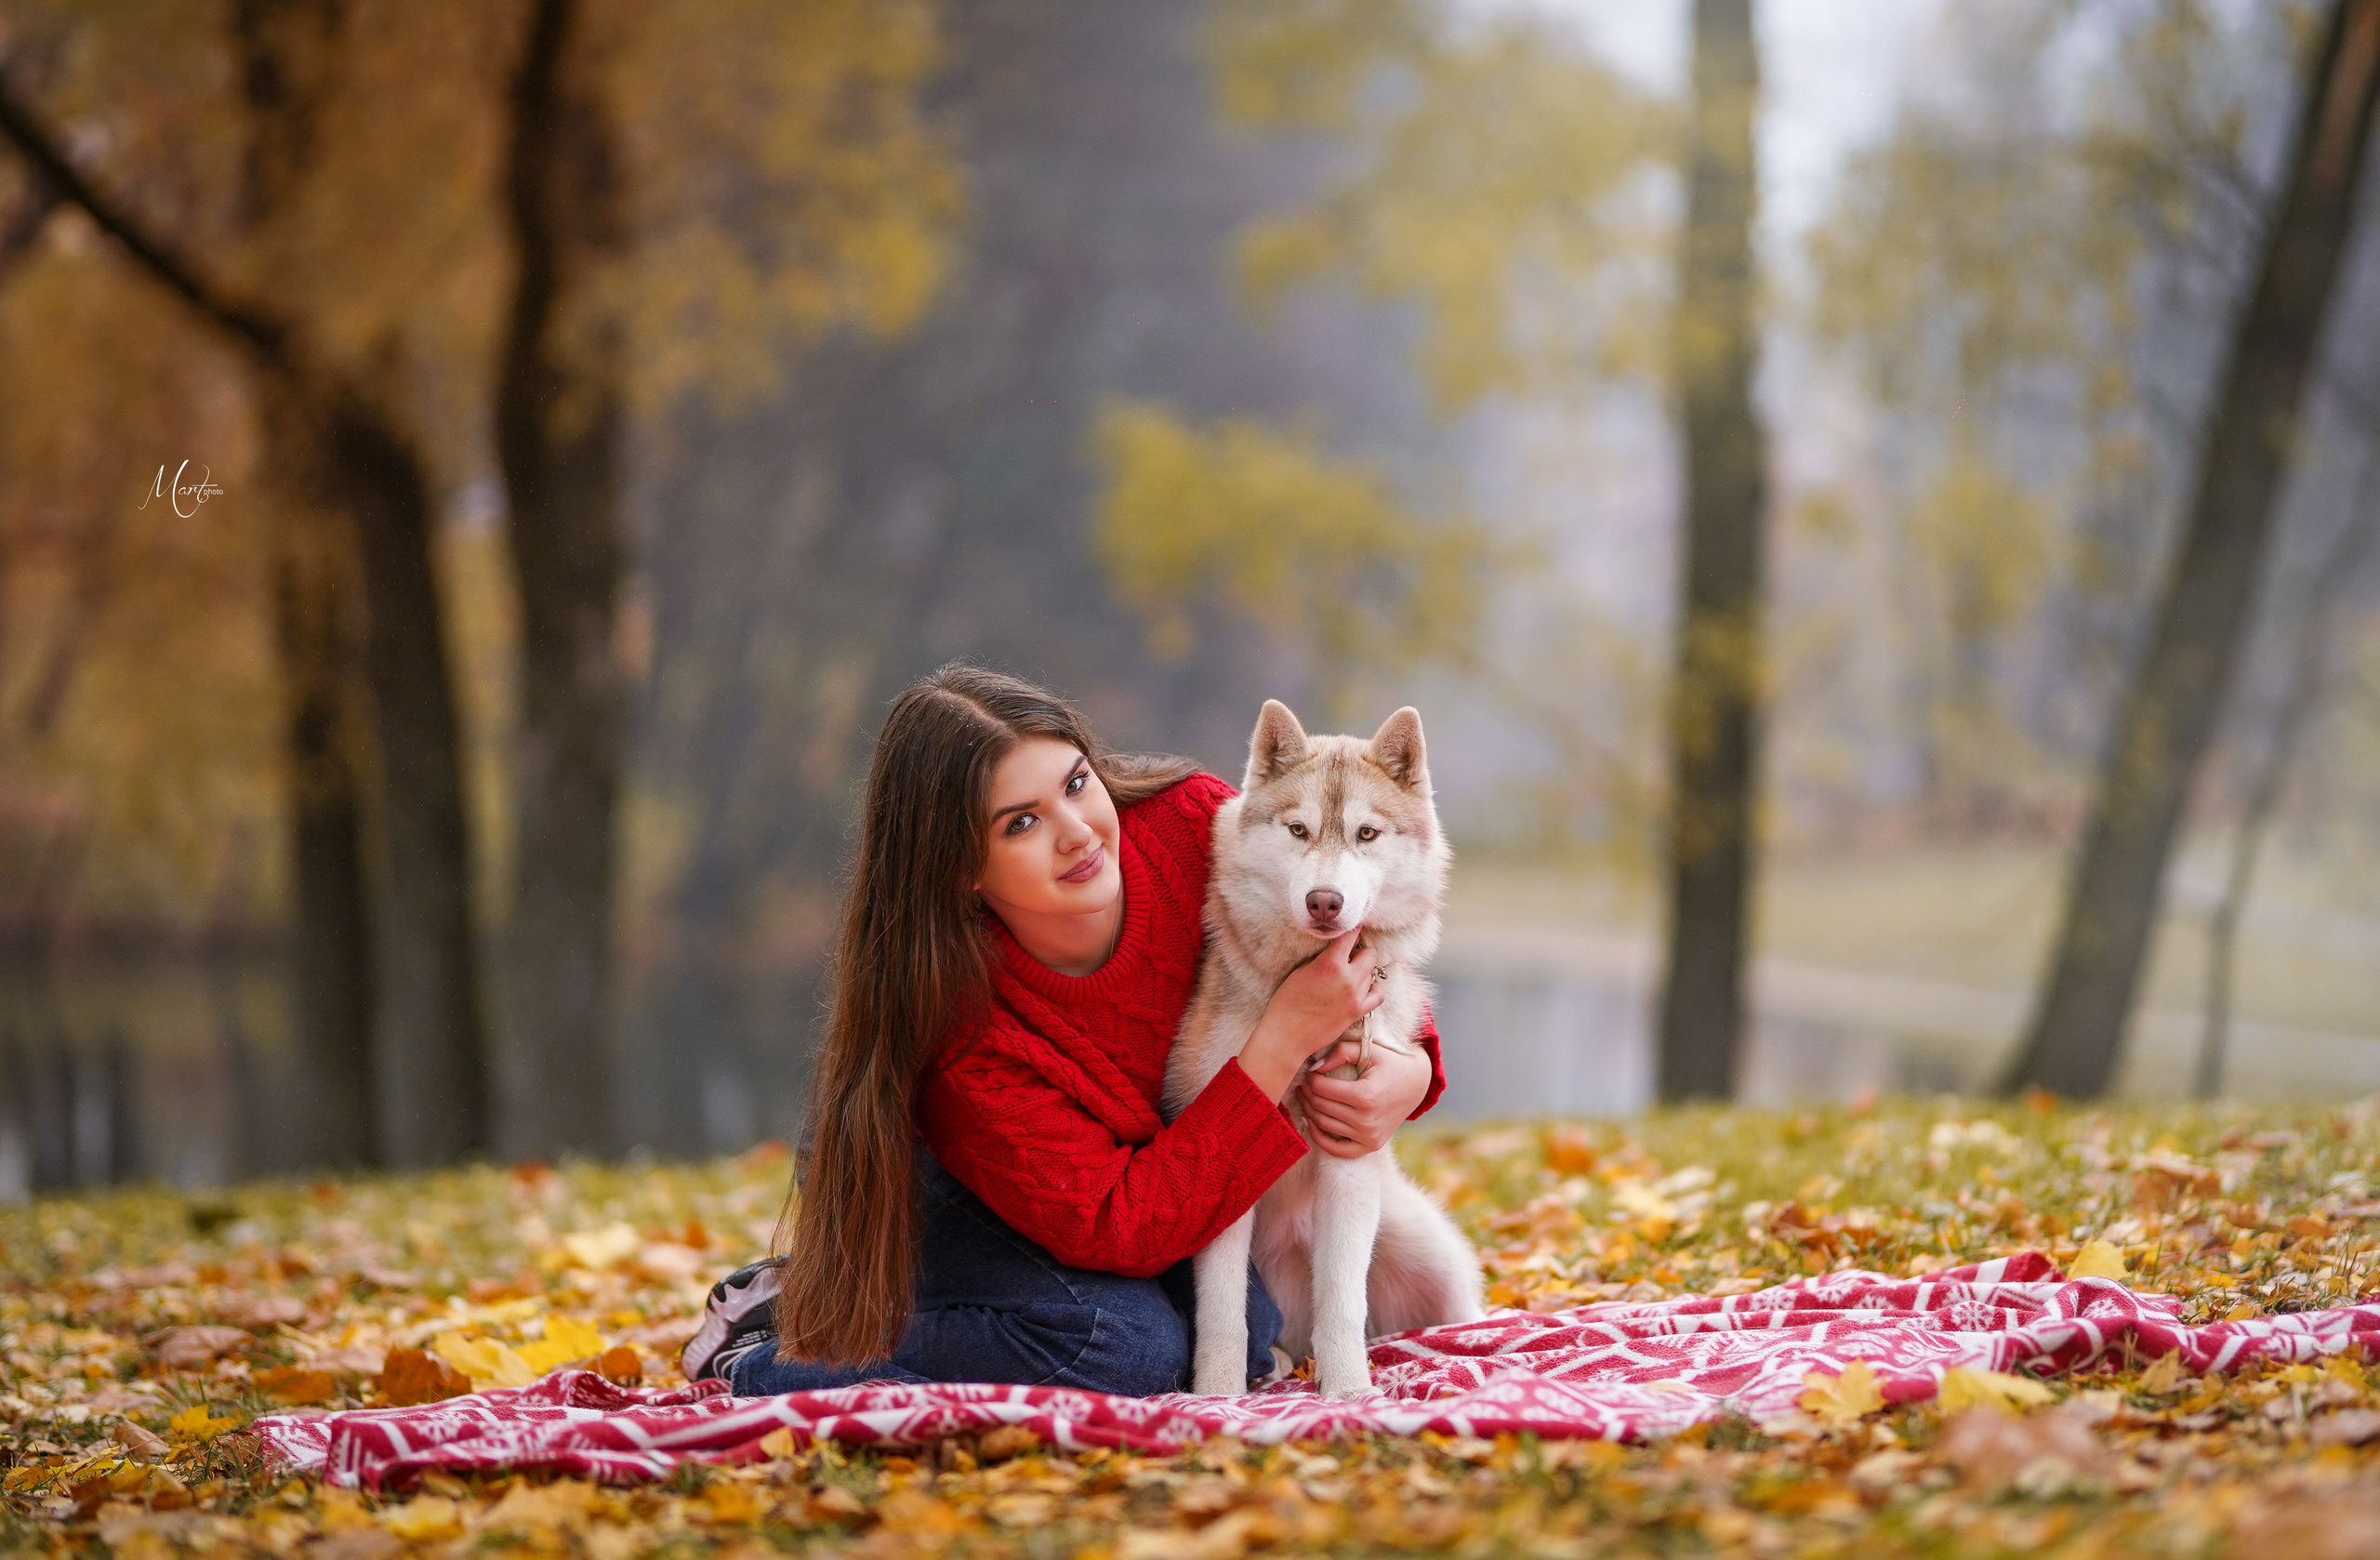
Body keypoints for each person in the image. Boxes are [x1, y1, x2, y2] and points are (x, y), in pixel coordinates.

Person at [684, 664, 1447, 1396]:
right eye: (1022, 823)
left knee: (1250, 1335)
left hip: (1148, 1169)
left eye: (1077, 784)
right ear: (961, 866)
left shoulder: (1196, 827)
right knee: (1117, 1345)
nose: (1078, 833)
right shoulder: (966, 1027)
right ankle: (777, 1344)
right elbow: (1121, 1226)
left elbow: (1362, 935)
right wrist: (1280, 1041)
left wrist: (1411, 1071)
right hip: (968, 1194)